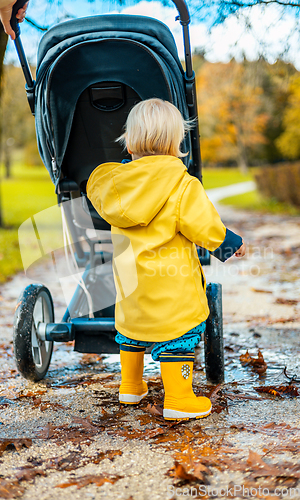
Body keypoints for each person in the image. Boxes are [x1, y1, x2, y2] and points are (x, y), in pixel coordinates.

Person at [87, 98, 246, 421]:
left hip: (132, 292)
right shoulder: (182, 185)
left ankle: (131, 386)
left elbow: (98, 184)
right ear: (176, 144)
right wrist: (229, 244)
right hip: (171, 291)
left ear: (129, 142)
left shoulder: (116, 187)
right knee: (179, 335)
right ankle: (178, 398)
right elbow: (204, 225)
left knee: (131, 333)